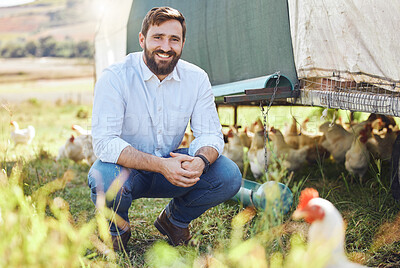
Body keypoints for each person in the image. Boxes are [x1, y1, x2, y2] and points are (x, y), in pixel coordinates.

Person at [88, 6, 242, 251]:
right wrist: (160, 165)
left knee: (228, 175)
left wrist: (201, 160)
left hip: (174, 165)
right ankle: (118, 229)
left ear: (182, 43)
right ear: (142, 39)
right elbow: (105, 142)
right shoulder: (115, 77)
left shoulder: (196, 78)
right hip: (127, 170)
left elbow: (211, 133)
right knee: (104, 178)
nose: (166, 47)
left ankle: (174, 221)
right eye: (157, 37)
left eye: (174, 39)